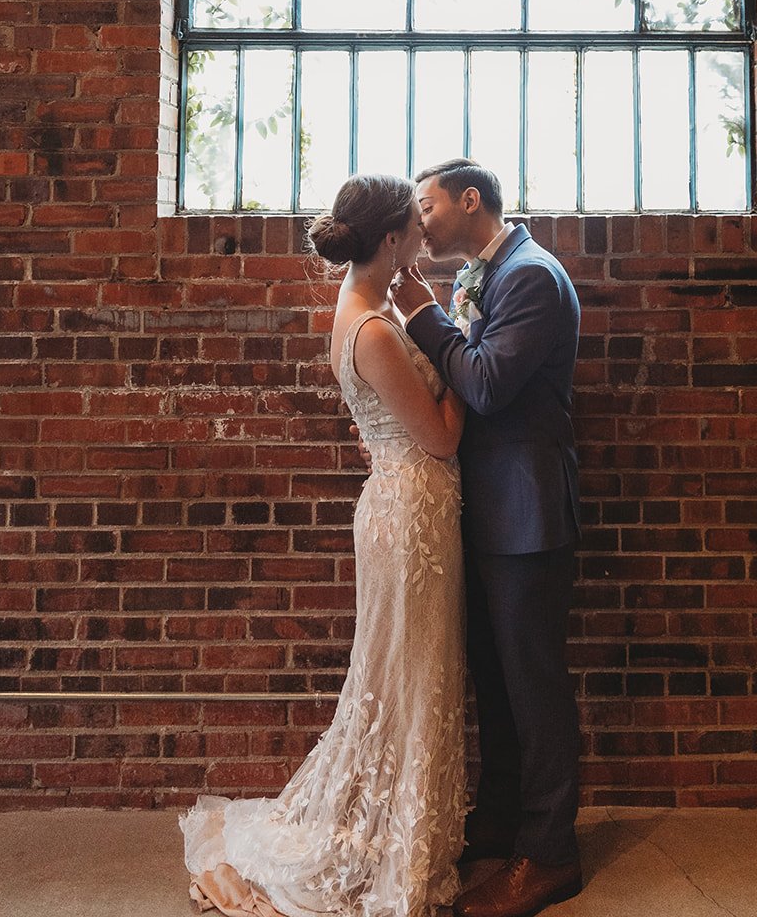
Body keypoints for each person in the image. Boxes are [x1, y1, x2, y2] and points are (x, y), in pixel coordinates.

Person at [181, 173, 467, 917]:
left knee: (406, 673)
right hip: (410, 516)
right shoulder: (372, 327)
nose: (423, 239)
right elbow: (437, 437)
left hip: (405, 507)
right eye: (414, 226)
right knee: (405, 676)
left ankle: (398, 823)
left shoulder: (364, 308)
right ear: (391, 241)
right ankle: (378, 837)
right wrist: (464, 364)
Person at [391, 159, 582, 917]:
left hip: (526, 510)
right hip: (487, 508)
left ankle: (550, 856)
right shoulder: (485, 272)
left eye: (427, 205)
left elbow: (490, 383)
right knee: (496, 685)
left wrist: (423, 315)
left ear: (471, 201)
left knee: (532, 686)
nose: (421, 220)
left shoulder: (531, 275)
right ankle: (502, 825)